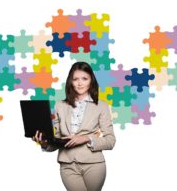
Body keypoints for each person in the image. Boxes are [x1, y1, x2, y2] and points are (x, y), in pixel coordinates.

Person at [33, 61, 116, 191]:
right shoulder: (60, 105)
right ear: (70, 82)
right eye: (75, 79)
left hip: (93, 164)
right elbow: (57, 139)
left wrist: (86, 138)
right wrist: (44, 143)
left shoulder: (101, 106)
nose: (80, 83)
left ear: (91, 81)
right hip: (67, 164)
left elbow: (110, 141)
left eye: (84, 78)